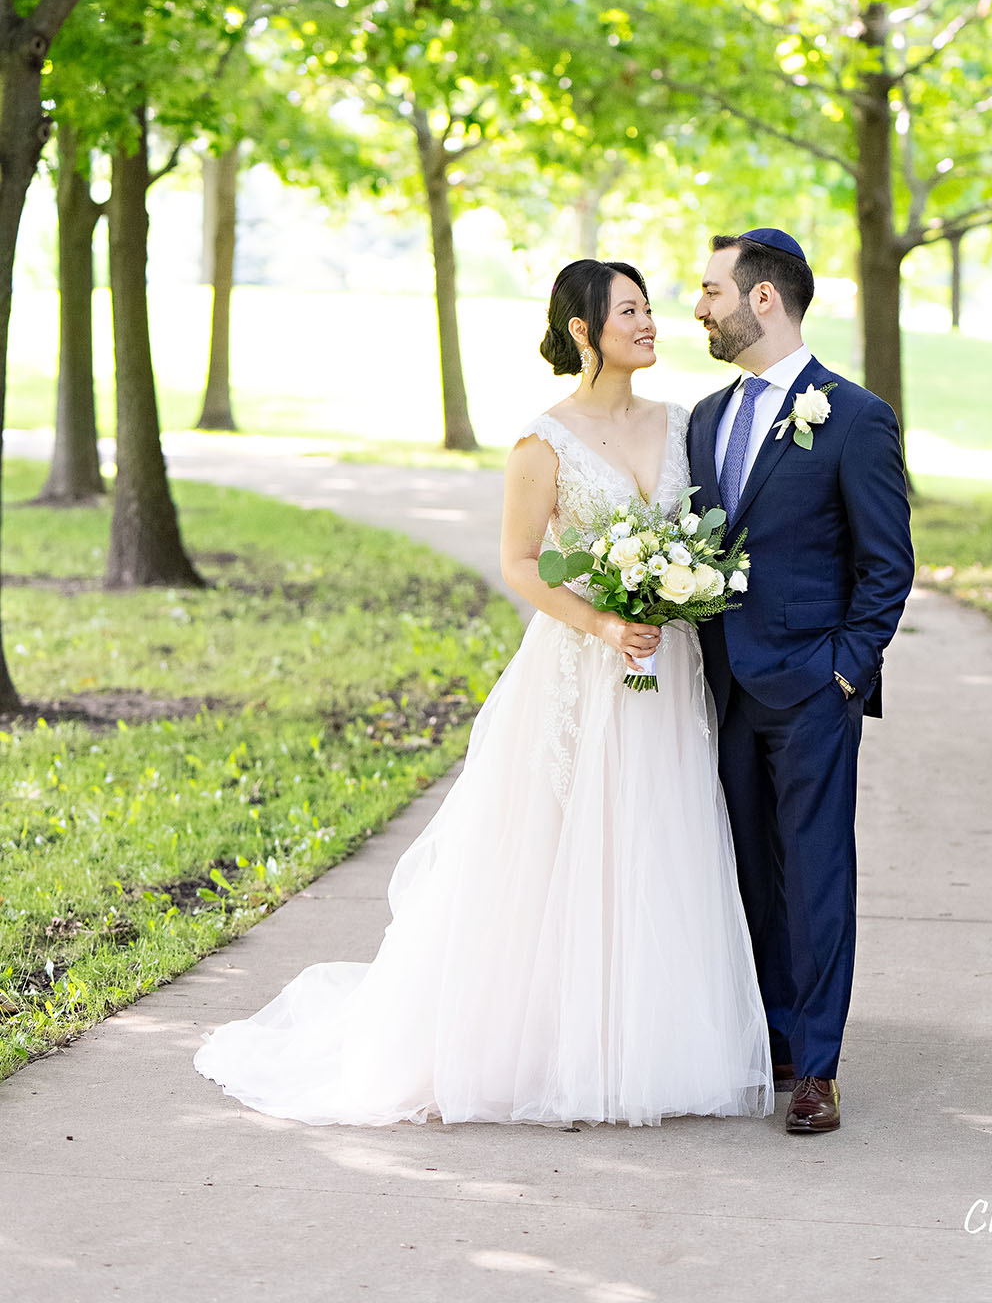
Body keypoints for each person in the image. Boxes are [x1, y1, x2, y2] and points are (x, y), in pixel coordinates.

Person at [194, 258, 771, 1128]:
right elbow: (518, 565)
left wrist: (676, 596)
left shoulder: (683, 421)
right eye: (630, 310)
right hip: (584, 665)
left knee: (659, 836)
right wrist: (608, 625)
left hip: (669, 663)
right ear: (584, 332)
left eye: (651, 308)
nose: (651, 322)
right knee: (557, 845)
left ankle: (644, 1037)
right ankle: (545, 1044)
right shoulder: (545, 440)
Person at [690, 229, 914, 1136]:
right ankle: (773, 1038)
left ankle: (818, 1066)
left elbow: (887, 564)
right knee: (747, 872)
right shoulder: (704, 418)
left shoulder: (853, 417)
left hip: (815, 687)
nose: (699, 307)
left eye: (712, 291)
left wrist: (846, 673)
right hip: (726, 687)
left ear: (764, 299)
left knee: (817, 875)